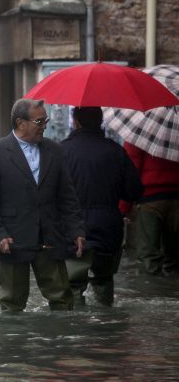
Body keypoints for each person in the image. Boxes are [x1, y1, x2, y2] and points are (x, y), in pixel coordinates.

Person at [0, 98, 85, 312]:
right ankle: (14, 344)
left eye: (46, 120)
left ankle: (60, 341)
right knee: (11, 302)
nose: (45, 125)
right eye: (39, 122)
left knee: (62, 298)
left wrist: (76, 231)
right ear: (20, 123)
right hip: (13, 239)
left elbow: (67, 197)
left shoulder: (55, 151)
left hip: (50, 236)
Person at [61, 106, 143, 305]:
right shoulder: (116, 151)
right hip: (108, 227)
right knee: (104, 281)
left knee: (72, 285)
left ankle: (76, 331)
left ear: (76, 122)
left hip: (73, 228)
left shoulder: (61, 151)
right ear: (100, 122)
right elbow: (134, 191)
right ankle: (106, 329)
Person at [122, 141, 179, 276]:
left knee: (148, 256)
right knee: (175, 257)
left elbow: (130, 170)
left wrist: (124, 206)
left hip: (150, 199)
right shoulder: (175, 128)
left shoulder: (142, 129)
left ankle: (151, 293)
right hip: (177, 198)